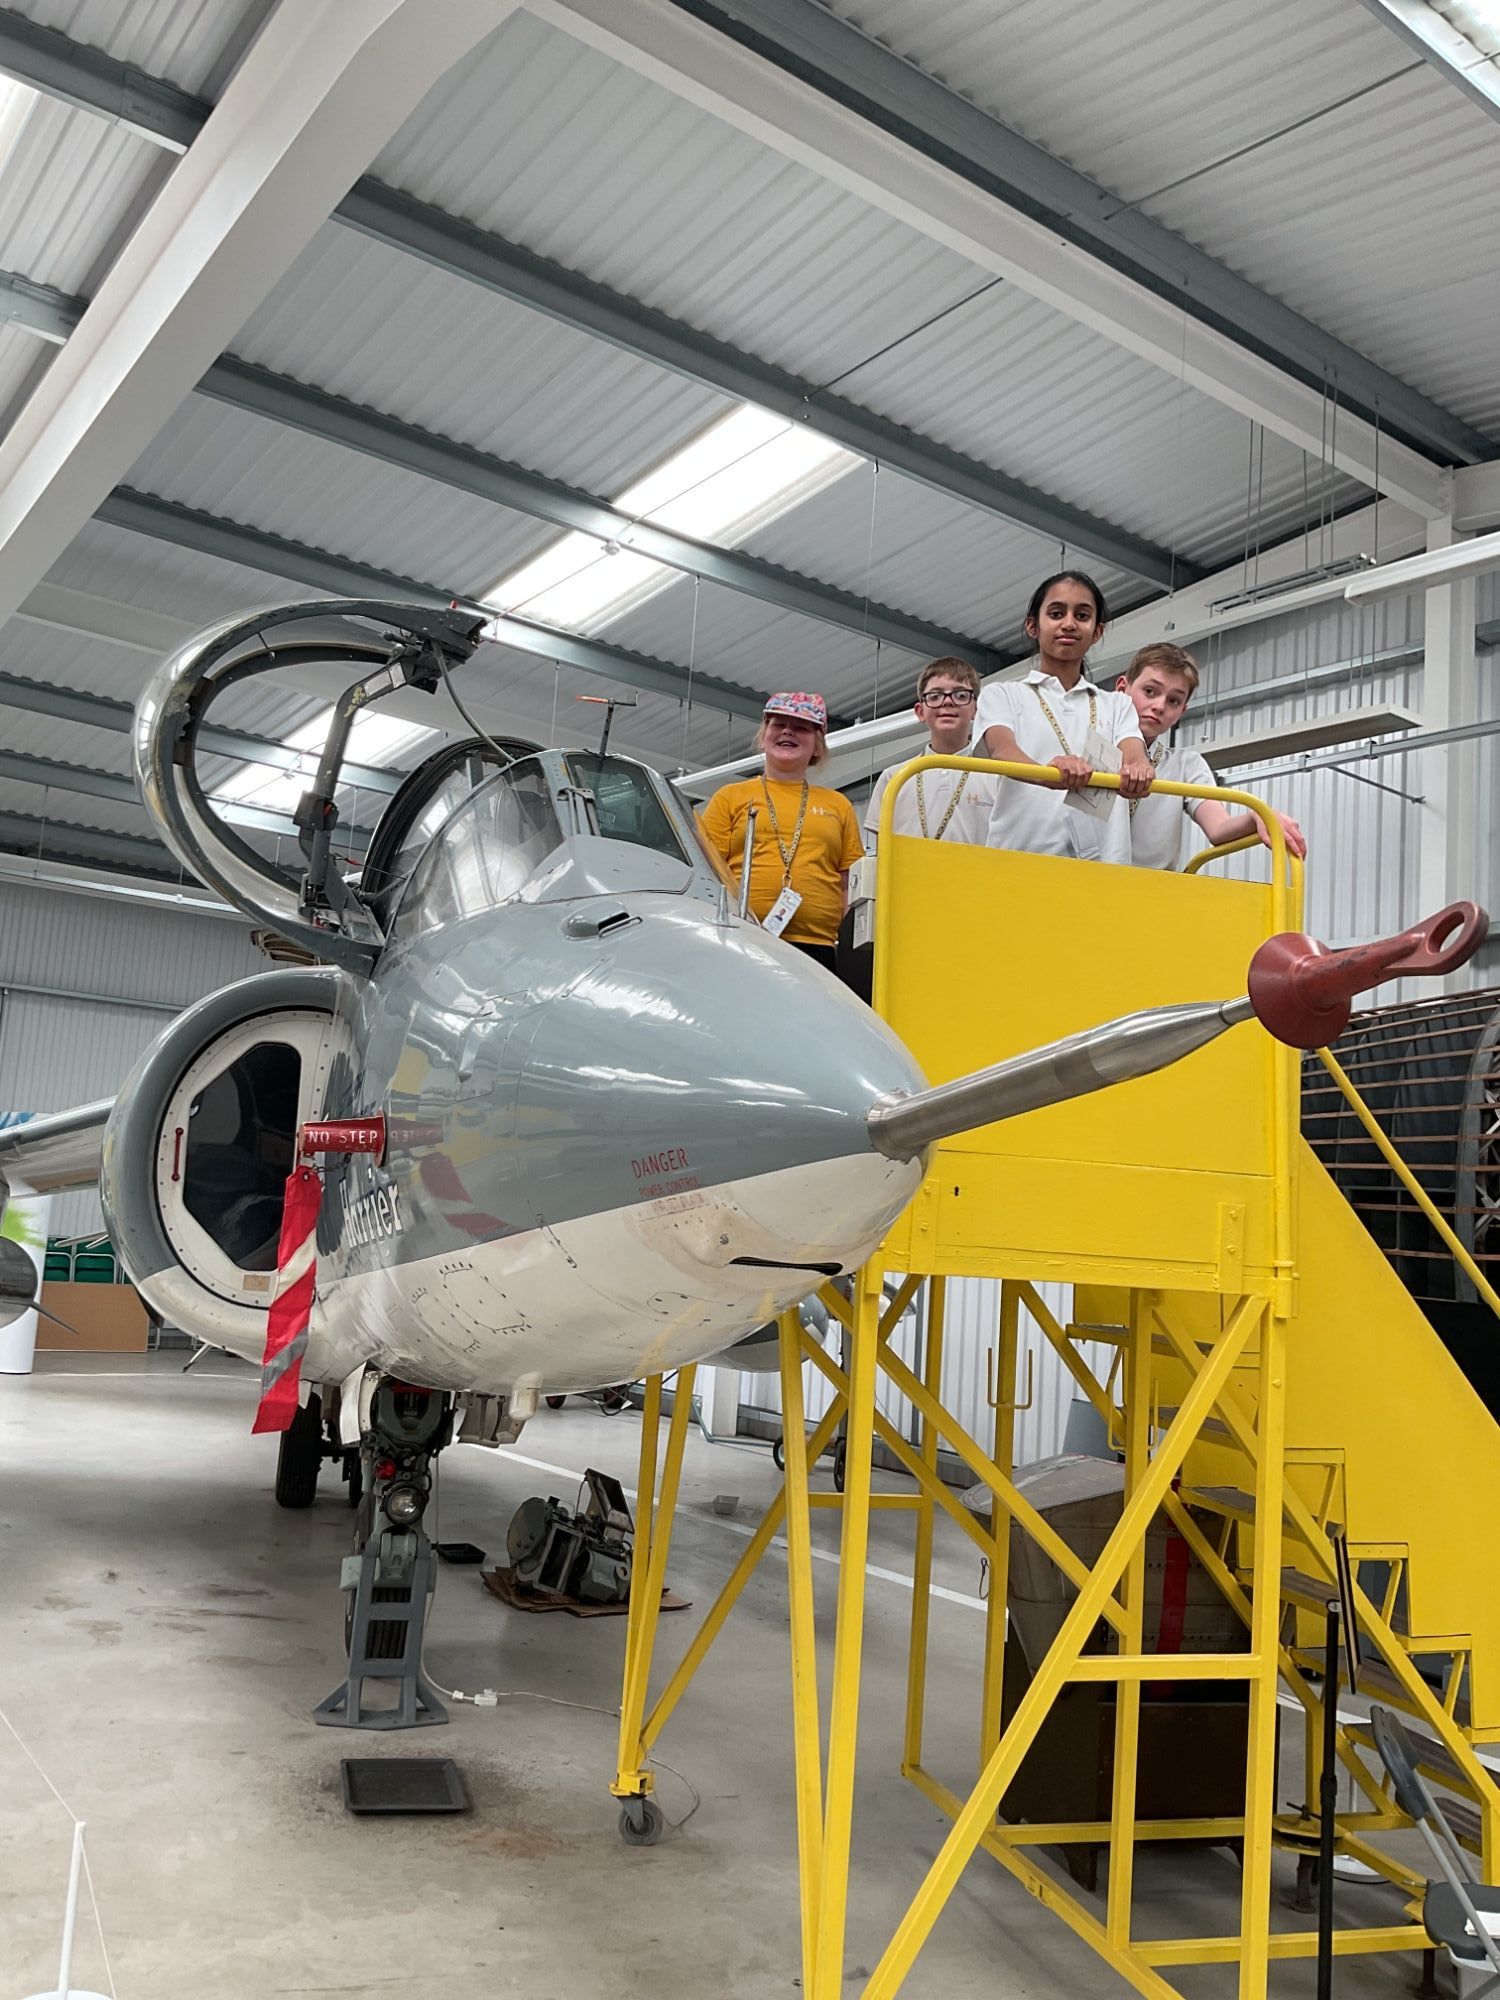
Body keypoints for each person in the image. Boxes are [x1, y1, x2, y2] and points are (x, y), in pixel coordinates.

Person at [972, 571, 1153, 864]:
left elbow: (1133, 752)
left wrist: (1140, 770)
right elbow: (1001, 750)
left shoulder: (1116, 704)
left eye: (1082, 616)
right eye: (1056, 613)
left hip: (1105, 867)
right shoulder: (1002, 694)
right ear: (1033, 626)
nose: (1069, 624)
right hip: (1019, 862)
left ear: (1097, 632)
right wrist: (1048, 773)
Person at [699, 691, 865, 973]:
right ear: (764, 736)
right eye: (778, 724)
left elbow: (849, 880)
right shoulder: (730, 797)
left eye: (801, 727)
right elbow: (707, 869)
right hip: (742, 936)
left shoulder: (838, 805)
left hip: (819, 947)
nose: (788, 731)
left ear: (817, 746)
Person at [1117, 643, 1307, 870]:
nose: (1159, 706)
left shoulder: (1186, 765)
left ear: (1182, 711)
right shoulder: (1086, 747)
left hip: (1150, 892)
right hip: (1080, 880)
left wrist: (1259, 816)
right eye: (1150, 691)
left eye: (1173, 701)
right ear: (1122, 688)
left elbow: (1218, 828)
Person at [863, 656, 997, 851]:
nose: (948, 702)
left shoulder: (996, 776)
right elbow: (880, 851)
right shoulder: (895, 777)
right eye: (935, 696)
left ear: (976, 709)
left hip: (976, 880)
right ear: (920, 712)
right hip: (909, 880)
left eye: (960, 695)